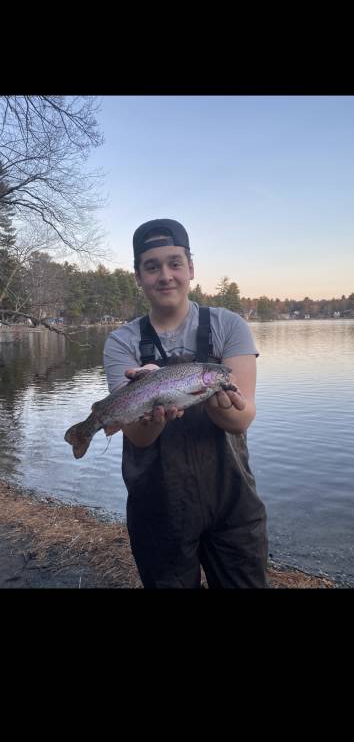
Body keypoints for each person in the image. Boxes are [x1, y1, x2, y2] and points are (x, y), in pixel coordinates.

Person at [103, 219, 268, 588]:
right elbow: (140, 439)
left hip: (232, 503)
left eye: (175, 263)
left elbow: (243, 419)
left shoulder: (229, 326)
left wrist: (213, 399)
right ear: (138, 276)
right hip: (158, 509)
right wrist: (154, 409)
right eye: (152, 266)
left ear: (191, 268)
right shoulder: (121, 342)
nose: (165, 275)